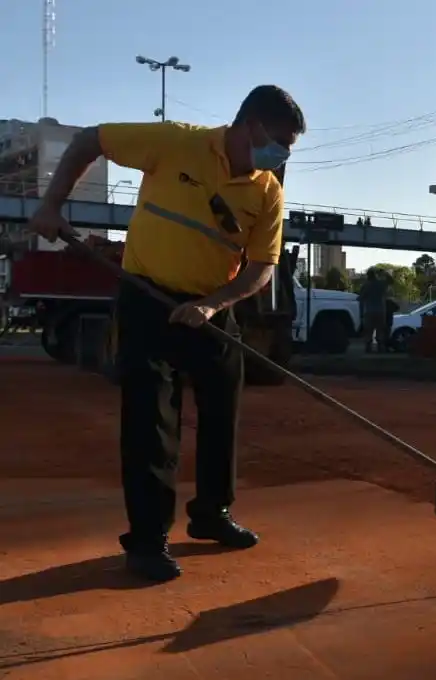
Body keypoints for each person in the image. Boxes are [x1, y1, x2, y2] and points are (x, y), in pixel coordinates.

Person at [28, 85, 306, 583]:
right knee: (151, 418)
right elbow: (90, 140)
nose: (281, 154)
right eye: (280, 141)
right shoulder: (176, 143)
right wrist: (53, 203)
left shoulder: (267, 190)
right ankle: (148, 541)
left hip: (211, 309)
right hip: (147, 299)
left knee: (223, 407)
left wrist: (213, 306)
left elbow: (262, 266)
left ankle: (211, 514)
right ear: (251, 126)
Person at [359, 268, 390, 353]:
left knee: (368, 331)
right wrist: (385, 272)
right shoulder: (381, 284)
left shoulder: (366, 285)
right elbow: (390, 281)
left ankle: (368, 348)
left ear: (368, 276)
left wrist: (361, 314)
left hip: (369, 312)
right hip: (380, 311)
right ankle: (380, 348)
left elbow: (361, 299)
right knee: (380, 330)